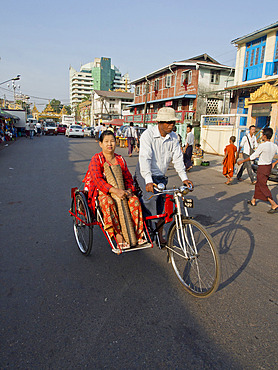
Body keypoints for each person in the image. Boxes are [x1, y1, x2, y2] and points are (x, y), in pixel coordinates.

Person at [135, 107, 193, 244]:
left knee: (161, 205)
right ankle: (145, 229)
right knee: (150, 201)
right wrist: (148, 180)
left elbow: (178, 159)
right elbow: (145, 159)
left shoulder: (174, 137)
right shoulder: (148, 135)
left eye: (173, 122)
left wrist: (184, 178)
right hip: (145, 173)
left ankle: (160, 236)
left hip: (160, 175)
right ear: (159, 123)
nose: (171, 125)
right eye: (167, 122)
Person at [83, 130, 146, 247]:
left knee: (135, 201)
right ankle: (118, 234)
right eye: (106, 141)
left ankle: (137, 234)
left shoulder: (120, 159)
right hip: (103, 192)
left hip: (122, 190)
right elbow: (98, 180)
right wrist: (115, 191)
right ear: (100, 144)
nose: (109, 144)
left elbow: (128, 178)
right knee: (109, 202)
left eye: (112, 141)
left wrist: (129, 190)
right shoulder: (96, 159)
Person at [238, 127, 278, 214]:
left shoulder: (263, 145)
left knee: (262, 185)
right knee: (259, 183)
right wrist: (274, 163)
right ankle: (253, 200)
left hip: (262, 167)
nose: (262, 136)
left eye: (262, 134)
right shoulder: (274, 146)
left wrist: (242, 161)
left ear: (265, 136)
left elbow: (253, 156)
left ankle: (273, 203)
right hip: (268, 167)